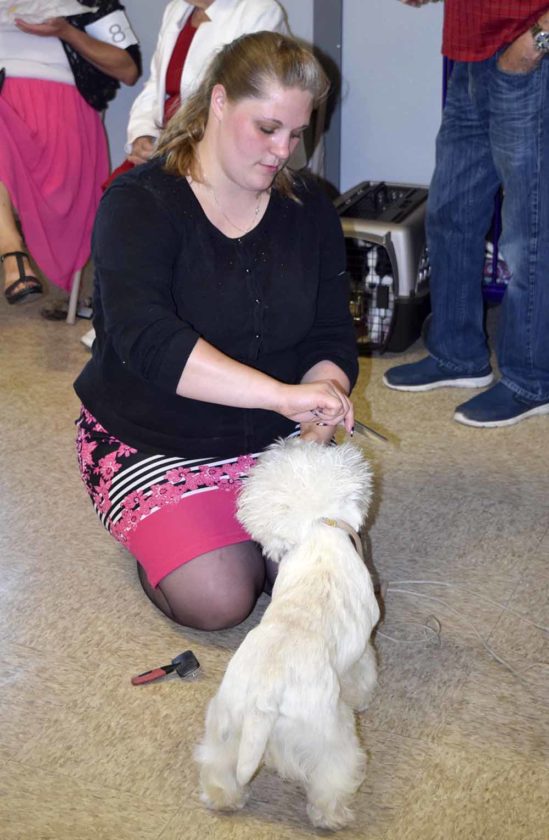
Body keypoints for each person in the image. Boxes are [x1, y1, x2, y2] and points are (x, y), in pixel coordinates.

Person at [73, 31, 358, 632]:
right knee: (220, 600)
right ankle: (163, 532)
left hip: (277, 436)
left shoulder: (309, 207)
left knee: (325, 586)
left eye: (296, 133)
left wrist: (321, 403)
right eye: (268, 128)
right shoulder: (139, 202)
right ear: (220, 102)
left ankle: (213, 533)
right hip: (153, 437)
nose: (283, 151)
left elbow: (330, 331)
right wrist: (282, 396)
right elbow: (148, 340)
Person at [384, 0, 549, 428]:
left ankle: (533, 379)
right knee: (450, 212)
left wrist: (538, 39)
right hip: (471, 55)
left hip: (528, 54)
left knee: (530, 230)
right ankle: (457, 354)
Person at [0, 0, 141, 306]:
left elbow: (128, 69)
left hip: (58, 110)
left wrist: (65, 31)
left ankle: (12, 256)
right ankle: (12, 251)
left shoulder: (87, 2)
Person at [113, 0, 288, 180]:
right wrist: (143, 134)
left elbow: (244, 100)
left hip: (214, 154)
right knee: (120, 188)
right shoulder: (176, 8)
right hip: (165, 142)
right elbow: (154, 85)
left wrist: (176, 147)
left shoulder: (261, 11)